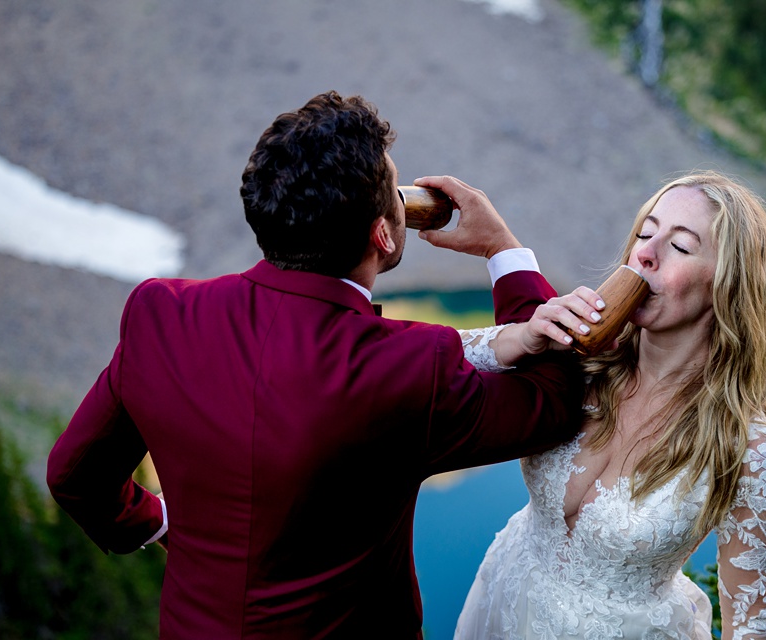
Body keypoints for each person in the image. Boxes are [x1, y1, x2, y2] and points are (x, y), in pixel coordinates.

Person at [46, 91, 585, 638]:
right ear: (382, 233)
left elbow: (75, 477)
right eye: (395, 191)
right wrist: (503, 250)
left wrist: (162, 520)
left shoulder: (161, 314)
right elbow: (554, 402)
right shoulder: (409, 366)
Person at [438, 171, 766, 639]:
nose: (645, 253)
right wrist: (524, 337)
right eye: (646, 233)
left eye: (681, 247)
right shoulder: (582, 363)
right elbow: (433, 366)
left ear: (727, 285)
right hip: (503, 600)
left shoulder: (746, 448)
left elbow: (752, 631)